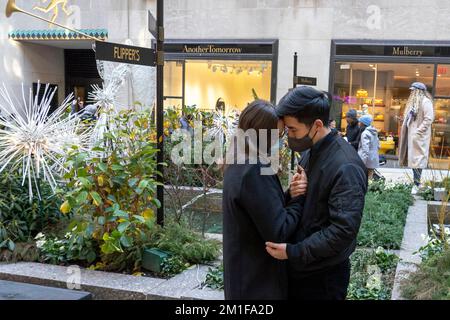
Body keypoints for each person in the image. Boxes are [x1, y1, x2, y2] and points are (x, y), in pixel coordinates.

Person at [265, 86, 368, 300]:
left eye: (293, 130)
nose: (289, 137)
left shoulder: (345, 166)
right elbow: (307, 205)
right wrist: (293, 194)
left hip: (323, 279)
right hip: (302, 270)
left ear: (317, 125)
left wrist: (293, 252)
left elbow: (342, 231)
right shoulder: (311, 151)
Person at [222, 100, 307, 300]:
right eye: (277, 135)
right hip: (258, 285)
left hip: (243, 280)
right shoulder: (255, 169)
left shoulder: (237, 161)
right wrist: (299, 199)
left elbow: (261, 210)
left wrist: (289, 195)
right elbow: (279, 230)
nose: (279, 141)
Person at [398, 82, 434, 193]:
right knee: (414, 160)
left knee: (418, 160)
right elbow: (411, 119)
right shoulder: (414, 104)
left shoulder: (425, 102)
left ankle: (417, 183)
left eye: (413, 91)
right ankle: (416, 183)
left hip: (419, 137)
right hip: (412, 136)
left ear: (418, 91)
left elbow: (429, 118)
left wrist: (418, 132)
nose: (412, 93)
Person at [357, 115, 380, 179]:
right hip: (373, 159)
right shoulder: (374, 132)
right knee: (370, 177)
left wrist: (362, 162)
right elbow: (378, 145)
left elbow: (365, 149)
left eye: (360, 122)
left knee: (364, 178)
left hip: (366, 160)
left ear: (363, 123)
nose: (359, 124)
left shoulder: (365, 133)